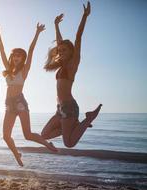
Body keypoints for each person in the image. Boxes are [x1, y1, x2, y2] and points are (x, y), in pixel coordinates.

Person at [41, 2, 102, 148]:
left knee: (69, 144)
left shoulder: (73, 64)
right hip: (60, 109)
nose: (61, 53)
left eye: (64, 51)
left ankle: (88, 119)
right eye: (59, 51)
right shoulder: (62, 65)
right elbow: (59, 41)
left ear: (71, 52)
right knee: (44, 135)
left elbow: (78, 37)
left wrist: (84, 17)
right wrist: (56, 25)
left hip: (69, 108)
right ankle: (75, 126)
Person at [0, 23, 58, 166]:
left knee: (28, 134)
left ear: (22, 58)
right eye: (15, 55)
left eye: (19, 56)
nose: (16, 57)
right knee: (6, 136)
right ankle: (17, 154)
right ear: (12, 57)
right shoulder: (8, 69)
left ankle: (47, 145)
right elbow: (1, 51)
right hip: (9, 104)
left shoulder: (24, 70)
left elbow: (31, 51)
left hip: (19, 102)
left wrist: (37, 33)